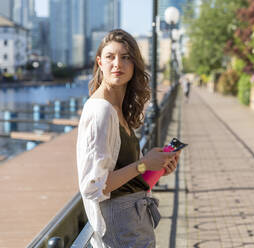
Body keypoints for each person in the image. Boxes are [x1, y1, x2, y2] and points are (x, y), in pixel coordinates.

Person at [76, 29, 180, 248]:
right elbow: (95, 187)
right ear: (99, 62)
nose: (117, 64)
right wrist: (143, 164)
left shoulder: (118, 109)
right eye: (110, 57)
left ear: (134, 64)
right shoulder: (100, 110)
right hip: (120, 227)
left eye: (125, 57)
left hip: (135, 221)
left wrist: (157, 169)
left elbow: (126, 177)